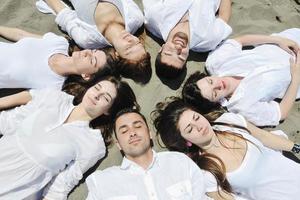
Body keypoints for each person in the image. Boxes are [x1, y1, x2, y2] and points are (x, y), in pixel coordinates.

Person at [0, 75, 138, 199]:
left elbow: (59, 188)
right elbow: (8, 121)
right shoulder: (55, 98)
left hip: (14, 191)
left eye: (105, 97)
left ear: (108, 110)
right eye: (97, 88)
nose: (97, 95)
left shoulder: (93, 144)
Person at [152, 97, 300, 200]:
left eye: (196, 118)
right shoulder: (206, 172)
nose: (199, 126)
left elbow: (264, 137)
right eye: (190, 129)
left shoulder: (228, 122)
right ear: (187, 142)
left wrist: (297, 148)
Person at [85, 108, 237, 200]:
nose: (132, 133)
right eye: (124, 131)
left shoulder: (179, 163)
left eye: (137, 126)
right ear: (118, 144)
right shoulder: (103, 182)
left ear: (149, 133)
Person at [182, 29, 300, 126]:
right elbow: (281, 113)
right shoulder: (244, 107)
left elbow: (239, 40)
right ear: (216, 102)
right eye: (214, 94)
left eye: (210, 81)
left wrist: (278, 40)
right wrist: (296, 76)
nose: (218, 85)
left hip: (291, 40)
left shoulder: (216, 63)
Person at [36, 0, 152, 84]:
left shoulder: (87, 39)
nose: (130, 40)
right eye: (138, 43)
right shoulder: (136, 19)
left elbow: (62, 13)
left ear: (117, 55)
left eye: (128, 49)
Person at [0, 26, 114, 89]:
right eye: (93, 51)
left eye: (92, 60)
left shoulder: (53, 86)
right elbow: (21, 35)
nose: (87, 52)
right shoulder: (59, 43)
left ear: (86, 75)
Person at [143, 0, 232, 78]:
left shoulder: (154, 19)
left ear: (161, 48)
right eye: (181, 57)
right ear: (186, 59)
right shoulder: (208, 40)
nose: (178, 48)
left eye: (169, 52)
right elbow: (223, 17)